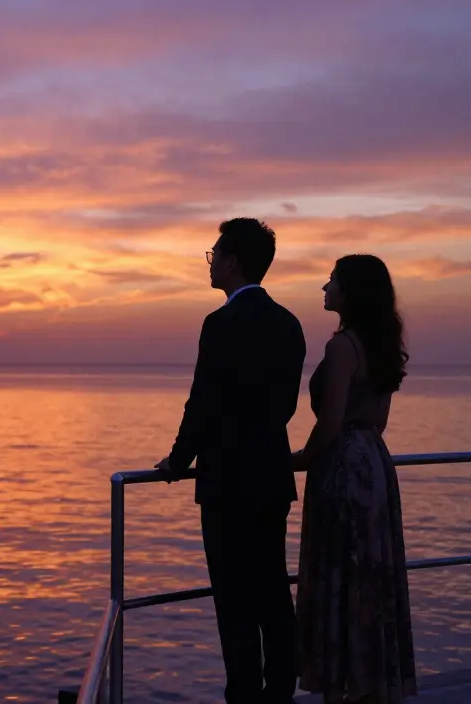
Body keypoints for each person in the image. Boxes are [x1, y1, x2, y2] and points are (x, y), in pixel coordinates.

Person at [156, 217, 307, 704]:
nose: (210, 262)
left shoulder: (220, 324)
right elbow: (285, 406)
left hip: (227, 480)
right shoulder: (289, 323)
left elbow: (203, 402)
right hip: (271, 473)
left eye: (215, 254)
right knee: (273, 591)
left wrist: (178, 459)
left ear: (234, 261)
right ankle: (280, 692)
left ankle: (243, 695)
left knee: (234, 599)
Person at [293, 254, 417, 704]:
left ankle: (337, 686)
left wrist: (300, 459)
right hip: (375, 462)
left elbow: (330, 422)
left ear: (350, 292)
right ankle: (370, 683)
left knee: (337, 572)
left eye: (332, 281)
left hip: (342, 467)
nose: (324, 288)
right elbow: (377, 420)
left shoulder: (342, 347)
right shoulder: (379, 343)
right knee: (369, 574)